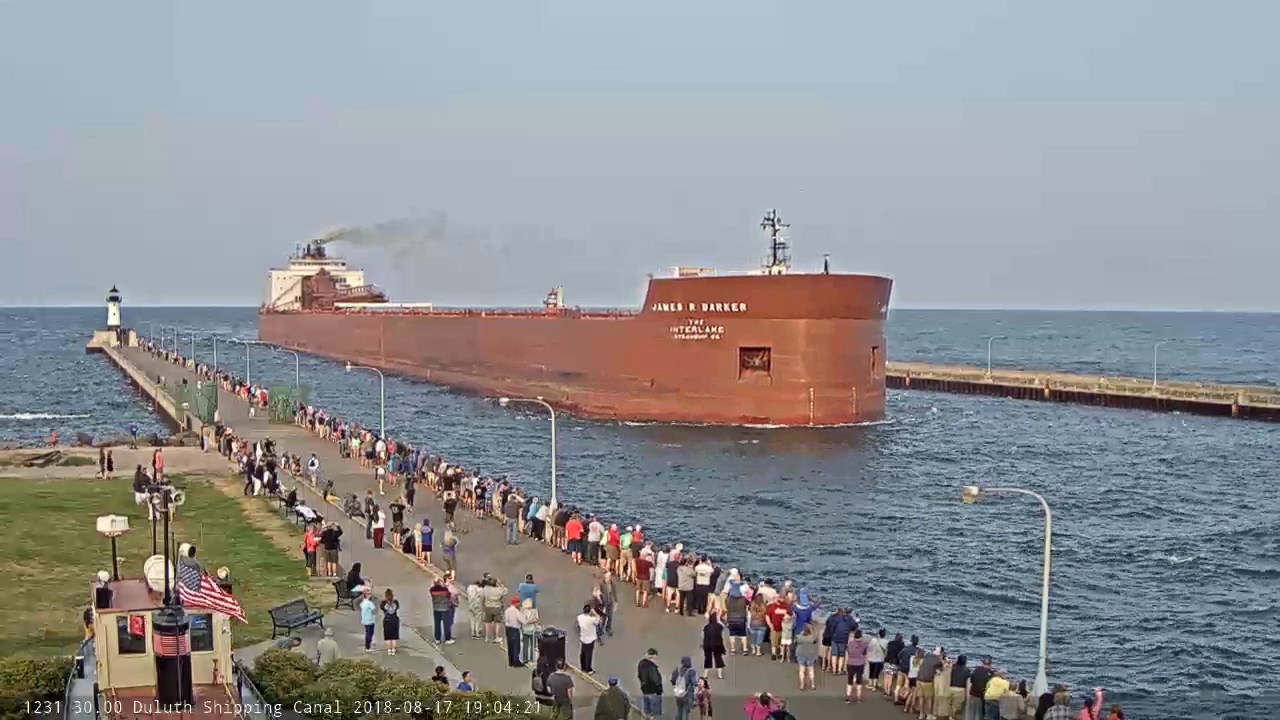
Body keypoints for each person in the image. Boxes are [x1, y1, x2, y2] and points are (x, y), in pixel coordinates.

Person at [637, 648, 663, 720]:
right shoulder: (651, 666)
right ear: (652, 656)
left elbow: (639, 676)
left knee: (646, 713)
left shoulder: (641, 664)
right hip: (653, 691)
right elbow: (654, 679)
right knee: (654, 714)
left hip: (645, 691)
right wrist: (659, 688)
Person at [670, 655, 697, 720]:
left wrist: (677, 685)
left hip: (678, 694)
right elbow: (694, 682)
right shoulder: (691, 671)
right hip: (687, 694)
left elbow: (672, 680)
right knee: (685, 711)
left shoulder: (677, 669)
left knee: (679, 710)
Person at [701, 612, 726, 679]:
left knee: (707, 659)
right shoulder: (719, 626)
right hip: (717, 645)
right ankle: (720, 675)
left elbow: (703, 635)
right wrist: (719, 619)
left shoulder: (706, 627)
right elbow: (723, 626)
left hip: (707, 645)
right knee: (718, 659)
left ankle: (705, 674)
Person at [794, 623, 819, 690]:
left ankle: (802, 685)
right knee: (811, 669)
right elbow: (816, 640)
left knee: (802, 670)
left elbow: (795, 642)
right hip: (810, 654)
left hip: (801, 654)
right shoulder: (812, 637)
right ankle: (813, 685)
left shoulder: (799, 637)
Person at [429, 576, 454, 644]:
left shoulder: (432, 590)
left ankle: (437, 639)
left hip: (436, 609)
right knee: (446, 624)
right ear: (440, 582)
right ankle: (448, 639)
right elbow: (449, 596)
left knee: (437, 624)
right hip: (445, 608)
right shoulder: (444, 589)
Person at [577, 604, 599, 674]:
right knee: (589, 654)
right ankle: (588, 669)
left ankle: (583, 667)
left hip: (583, 638)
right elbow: (598, 618)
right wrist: (594, 613)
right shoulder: (591, 620)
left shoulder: (579, 617)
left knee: (583, 653)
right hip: (590, 639)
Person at [519, 598, 541, 665]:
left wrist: (526, 622)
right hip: (531, 629)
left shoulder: (522, 611)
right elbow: (537, 619)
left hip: (526, 629)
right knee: (531, 644)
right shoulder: (534, 611)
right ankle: (530, 658)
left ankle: (526, 658)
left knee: (527, 644)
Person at [504, 598, 524, 667]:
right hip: (515, 629)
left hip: (508, 629)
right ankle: (516, 662)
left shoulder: (507, 610)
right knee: (516, 646)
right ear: (516, 603)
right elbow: (521, 620)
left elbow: (505, 619)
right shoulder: (516, 611)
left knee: (510, 645)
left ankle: (511, 661)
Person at [380, 588, 401, 655]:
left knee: (388, 636)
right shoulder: (396, 602)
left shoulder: (383, 603)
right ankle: (393, 650)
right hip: (394, 620)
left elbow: (382, 608)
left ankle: (389, 650)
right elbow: (397, 607)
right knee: (394, 636)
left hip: (387, 621)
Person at [359, 588, 377, 653]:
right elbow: (374, 611)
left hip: (365, 620)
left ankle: (367, 646)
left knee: (367, 633)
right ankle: (368, 647)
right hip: (370, 620)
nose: (370, 595)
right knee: (370, 633)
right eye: (369, 594)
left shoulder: (363, 603)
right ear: (366, 595)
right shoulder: (370, 603)